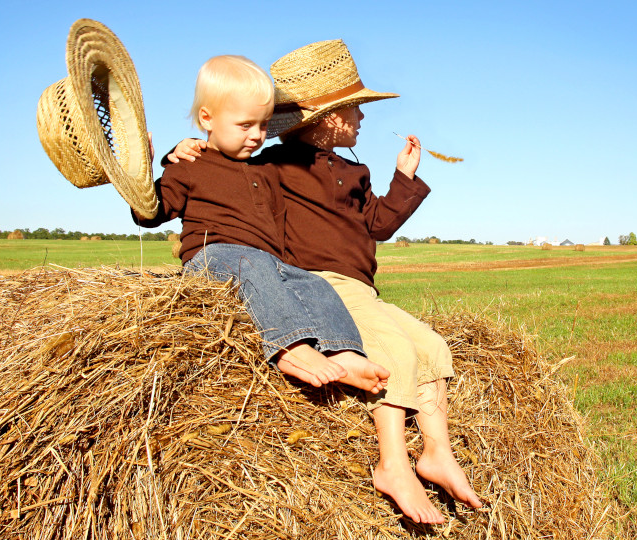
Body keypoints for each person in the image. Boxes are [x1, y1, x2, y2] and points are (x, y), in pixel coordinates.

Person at [170, 41, 482, 524]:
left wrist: (403, 179)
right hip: (320, 281)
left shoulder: (356, 170)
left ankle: (437, 453)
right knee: (394, 353)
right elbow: (219, 171)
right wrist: (179, 151)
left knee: (434, 349)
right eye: (355, 107)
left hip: (361, 286)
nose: (362, 117)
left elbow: (376, 224)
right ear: (324, 117)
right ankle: (392, 464)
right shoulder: (274, 163)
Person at [136, 55, 389, 394]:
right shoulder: (189, 165)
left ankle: (344, 351)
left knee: (315, 286)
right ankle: (289, 348)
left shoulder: (265, 168)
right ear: (207, 119)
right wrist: (152, 168)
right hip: (213, 258)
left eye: (263, 125)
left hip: (268, 261)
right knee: (250, 265)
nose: (257, 136)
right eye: (245, 125)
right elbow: (151, 214)